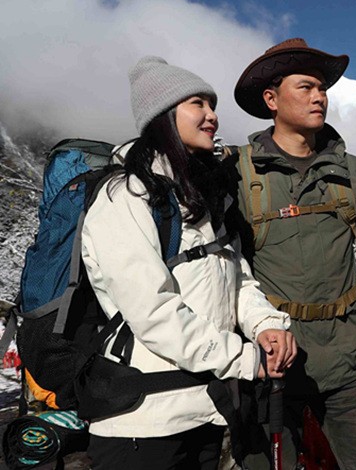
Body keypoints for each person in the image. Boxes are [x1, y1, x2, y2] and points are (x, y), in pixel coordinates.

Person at [80, 56, 297, 469]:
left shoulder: (202, 198)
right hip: (143, 422)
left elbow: (237, 280)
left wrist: (266, 325)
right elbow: (152, 311)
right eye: (198, 103)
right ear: (163, 116)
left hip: (205, 408)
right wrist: (244, 359)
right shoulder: (124, 198)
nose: (212, 115)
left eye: (212, 105)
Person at [231, 38, 356, 470]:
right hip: (273, 363)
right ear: (271, 99)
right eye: (305, 87)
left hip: (346, 361)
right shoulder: (239, 175)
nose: (319, 96)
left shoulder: (349, 171)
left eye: (322, 88)